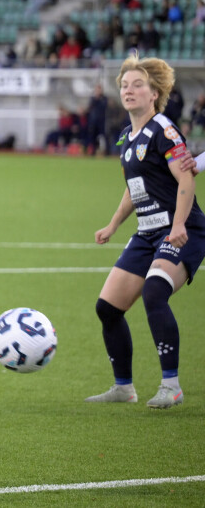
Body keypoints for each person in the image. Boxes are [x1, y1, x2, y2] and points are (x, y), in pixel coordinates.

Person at [87, 56, 205, 409]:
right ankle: (123, 387)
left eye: (137, 84)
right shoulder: (127, 136)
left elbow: (186, 177)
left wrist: (180, 224)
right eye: (124, 85)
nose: (129, 90)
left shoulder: (163, 128)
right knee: (107, 308)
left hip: (180, 229)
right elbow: (134, 189)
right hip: (147, 232)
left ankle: (171, 385)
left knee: (155, 293)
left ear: (154, 93)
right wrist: (112, 225)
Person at [84, 83, 109, 156]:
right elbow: (90, 107)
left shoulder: (104, 99)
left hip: (102, 121)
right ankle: (92, 150)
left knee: (104, 136)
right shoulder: (92, 99)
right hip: (93, 121)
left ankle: (107, 151)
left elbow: (104, 106)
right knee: (92, 136)